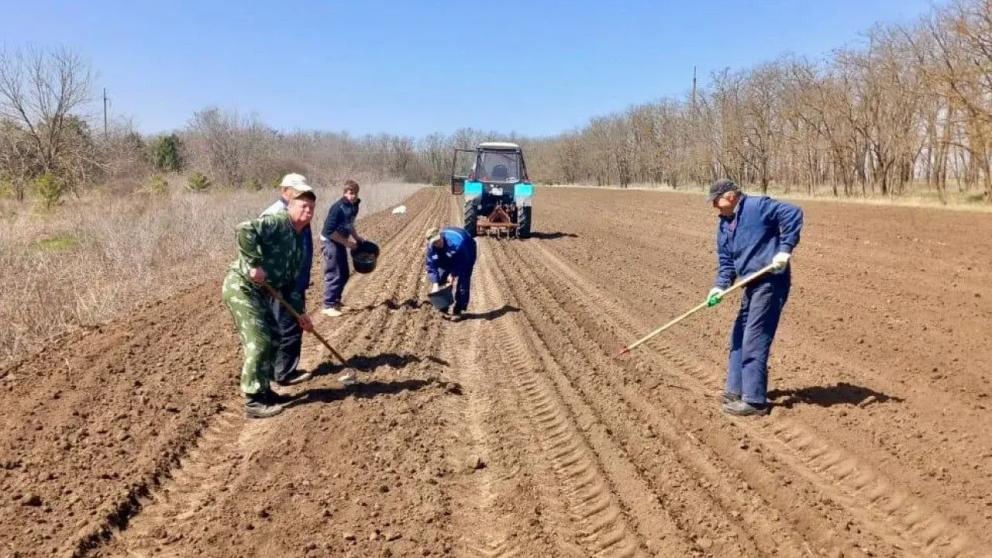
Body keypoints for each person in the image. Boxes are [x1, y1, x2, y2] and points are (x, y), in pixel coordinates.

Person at [706, 178, 803, 417]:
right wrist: (719, 287)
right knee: (738, 335)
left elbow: (793, 213)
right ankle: (735, 389)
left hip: (771, 281)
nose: (714, 207)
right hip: (750, 283)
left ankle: (755, 400)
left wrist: (784, 249)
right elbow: (726, 262)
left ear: (729, 196)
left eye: (716, 201)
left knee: (754, 337)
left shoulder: (757, 206)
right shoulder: (724, 225)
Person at [222, 189, 317, 419]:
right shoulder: (278, 222)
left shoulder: (297, 243)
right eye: (302, 206)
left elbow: (290, 285)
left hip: (262, 293)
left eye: (311, 208)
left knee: (275, 336)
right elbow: (244, 229)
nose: (307, 211)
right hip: (242, 287)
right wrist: (254, 263)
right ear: (290, 206)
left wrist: (300, 314)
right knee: (260, 340)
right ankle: (253, 401)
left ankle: (265, 391)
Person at [259, 173, 315, 387]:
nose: (302, 195)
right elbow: (251, 237)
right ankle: (283, 372)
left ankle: (281, 369)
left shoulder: (299, 210)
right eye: (296, 190)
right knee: (287, 325)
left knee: (293, 323)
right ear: (284, 191)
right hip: (280, 282)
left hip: (294, 279)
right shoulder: (276, 215)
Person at [320, 180, 363, 318]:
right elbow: (329, 231)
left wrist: (356, 237)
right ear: (345, 193)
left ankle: (336, 302)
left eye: (355, 193)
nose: (353, 196)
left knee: (344, 273)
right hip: (330, 242)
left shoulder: (353, 206)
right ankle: (328, 305)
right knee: (335, 273)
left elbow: (350, 224)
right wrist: (347, 243)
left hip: (339, 241)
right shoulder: (337, 208)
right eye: (350, 193)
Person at [425, 226, 477, 322]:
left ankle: (458, 309)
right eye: (434, 242)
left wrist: (453, 274)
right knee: (441, 277)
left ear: (441, 235)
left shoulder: (457, 244)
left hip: (467, 250)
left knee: (463, 279)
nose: (438, 243)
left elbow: (463, 262)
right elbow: (431, 266)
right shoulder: (431, 248)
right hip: (449, 253)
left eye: (438, 240)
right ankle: (444, 305)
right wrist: (435, 284)